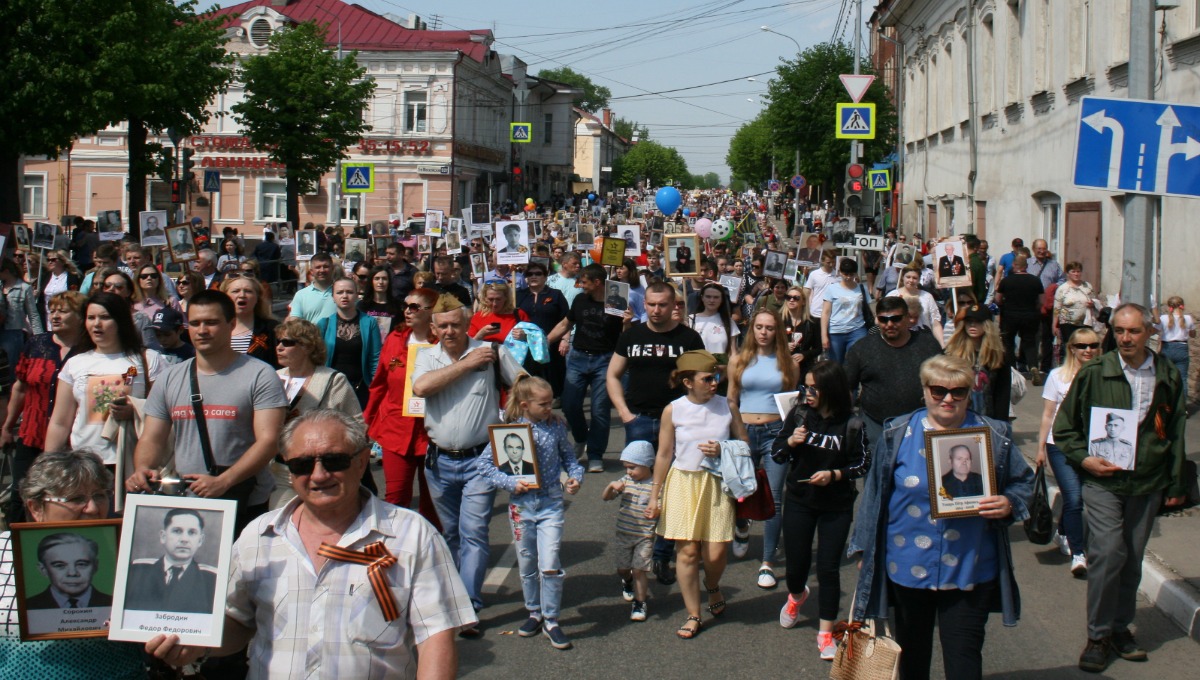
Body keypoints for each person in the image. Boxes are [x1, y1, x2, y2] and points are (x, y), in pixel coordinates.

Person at [146, 409, 474, 677]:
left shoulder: (412, 534)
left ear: (362, 461)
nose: (318, 475)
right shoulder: (258, 536)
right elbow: (238, 621)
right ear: (289, 471)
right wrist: (197, 643)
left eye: (334, 461)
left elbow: (435, 636)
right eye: (302, 465)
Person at [849, 355, 1033, 680]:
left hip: (968, 569)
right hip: (908, 567)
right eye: (938, 391)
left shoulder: (991, 435)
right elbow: (874, 494)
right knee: (913, 661)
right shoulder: (898, 433)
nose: (948, 399)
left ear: (969, 393)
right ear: (924, 391)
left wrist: (1009, 503)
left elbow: (1024, 482)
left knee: (964, 663)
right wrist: (864, 549)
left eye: (958, 391)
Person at [1053, 303, 1188, 672]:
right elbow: (1064, 429)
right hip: (1104, 481)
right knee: (1109, 552)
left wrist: (1175, 482)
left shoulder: (1166, 373)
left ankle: (1119, 628)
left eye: (1134, 331)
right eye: (1120, 331)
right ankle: (1097, 636)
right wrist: (1085, 459)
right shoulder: (1096, 372)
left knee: (1131, 558)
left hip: (1147, 482)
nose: (1126, 338)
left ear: (1149, 333)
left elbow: (1175, 429)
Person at [127, 290, 288, 533]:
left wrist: (224, 481)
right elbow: (152, 437)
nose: (202, 330)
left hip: (243, 499)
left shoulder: (260, 374)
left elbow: (269, 441)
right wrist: (142, 468)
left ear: (231, 325)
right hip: (187, 499)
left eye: (211, 322)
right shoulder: (169, 378)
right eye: (195, 323)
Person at [412, 294, 524, 623]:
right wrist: (467, 364)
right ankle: (456, 593)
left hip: (481, 460)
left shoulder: (491, 352)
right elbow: (421, 388)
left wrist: (523, 414)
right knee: (451, 533)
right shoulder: (427, 357)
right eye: (443, 326)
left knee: (473, 530)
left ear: (467, 324)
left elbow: (523, 384)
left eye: (456, 325)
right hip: (439, 461)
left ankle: (468, 604)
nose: (450, 331)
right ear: (434, 328)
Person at [1, 450, 144, 678]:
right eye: (76, 499)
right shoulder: (3, 551)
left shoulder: (134, 554)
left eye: (100, 495)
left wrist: (178, 647)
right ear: (36, 508)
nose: (93, 508)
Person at [771, 360, 869, 660]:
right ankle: (797, 595)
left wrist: (835, 475)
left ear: (831, 390)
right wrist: (791, 441)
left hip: (836, 505)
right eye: (806, 386)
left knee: (828, 569)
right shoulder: (800, 414)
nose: (808, 393)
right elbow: (777, 454)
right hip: (800, 500)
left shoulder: (852, 423)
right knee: (796, 566)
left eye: (814, 388)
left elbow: (862, 464)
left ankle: (826, 633)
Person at [607, 282, 704, 583]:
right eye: (651, 304)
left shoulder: (688, 338)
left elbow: (702, 378)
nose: (656, 310)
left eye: (663, 304)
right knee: (638, 489)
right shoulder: (632, 335)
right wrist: (624, 413)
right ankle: (637, 553)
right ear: (644, 304)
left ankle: (662, 554)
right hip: (639, 420)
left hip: (677, 424)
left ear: (674, 305)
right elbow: (612, 374)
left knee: (670, 489)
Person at [477, 375, 583, 649]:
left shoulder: (556, 426)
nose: (549, 408)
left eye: (550, 403)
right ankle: (534, 612)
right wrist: (510, 482)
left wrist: (575, 477)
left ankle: (552, 619)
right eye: (543, 404)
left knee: (549, 563)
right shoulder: (509, 431)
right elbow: (484, 465)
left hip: (550, 503)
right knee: (526, 562)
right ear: (525, 405)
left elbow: (569, 457)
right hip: (521, 505)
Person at [646, 350, 746, 639]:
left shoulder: (727, 406)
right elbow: (664, 454)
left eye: (715, 377)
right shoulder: (673, 410)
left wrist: (723, 449)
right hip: (683, 482)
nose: (714, 383)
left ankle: (712, 586)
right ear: (687, 382)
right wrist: (655, 495)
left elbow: (744, 443)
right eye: (707, 379)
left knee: (715, 553)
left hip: (716, 484)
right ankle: (693, 614)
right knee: (688, 552)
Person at [43, 293, 165, 463]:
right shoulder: (74, 363)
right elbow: (60, 423)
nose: (97, 324)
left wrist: (135, 410)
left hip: (133, 461)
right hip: (85, 462)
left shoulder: (148, 359)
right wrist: (48, 462)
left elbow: (165, 410)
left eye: (105, 317)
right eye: (91, 318)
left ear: (120, 321)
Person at [726, 309, 797, 586]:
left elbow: (791, 402)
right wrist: (738, 432)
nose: (764, 332)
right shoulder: (739, 360)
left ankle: (767, 561)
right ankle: (742, 525)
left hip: (774, 432)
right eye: (759, 327)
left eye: (769, 327)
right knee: (739, 490)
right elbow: (731, 399)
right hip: (744, 430)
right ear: (752, 329)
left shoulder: (788, 362)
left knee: (774, 496)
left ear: (777, 330)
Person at [364, 288, 441, 526]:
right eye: (406, 306)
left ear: (431, 311)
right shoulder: (395, 339)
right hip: (395, 429)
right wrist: (367, 421)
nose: (407, 311)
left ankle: (431, 544)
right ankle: (395, 544)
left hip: (433, 432)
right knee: (395, 499)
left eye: (414, 307)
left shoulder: (444, 343)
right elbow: (379, 384)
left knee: (433, 503)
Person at [273, 317, 364, 506]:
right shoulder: (273, 378)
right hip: (280, 470)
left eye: (287, 342)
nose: (279, 347)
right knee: (280, 519)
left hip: (322, 471)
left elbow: (357, 427)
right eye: (278, 341)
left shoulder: (333, 380)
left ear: (307, 346)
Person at [1036, 327, 1101, 577]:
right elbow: (1047, 414)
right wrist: (1041, 448)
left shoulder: (1103, 376)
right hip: (1059, 444)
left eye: (1093, 345)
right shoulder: (1057, 376)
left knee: (1077, 495)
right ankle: (1078, 553)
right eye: (1082, 346)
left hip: (1090, 446)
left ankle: (1063, 531)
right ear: (1071, 349)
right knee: (1074, 498)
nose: (1088, 350)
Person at [548, 264, 625, 472]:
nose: (580, 285)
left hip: (605, 360)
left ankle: (595, 454)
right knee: (570, 405)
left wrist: (628, 321)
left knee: (599, 410)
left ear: (597, 282)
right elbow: (565, 324)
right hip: (578, 357)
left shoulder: (616, 302)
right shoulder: (580, 300)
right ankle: (581, 437)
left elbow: (626, 332)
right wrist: (545, 341)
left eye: (584, 282)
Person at [601, 441, 658, 623]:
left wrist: (657, 510)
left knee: (639, 569)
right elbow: (606, 498)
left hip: (645, 536)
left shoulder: (657, 486)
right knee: (623, 569)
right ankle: (627, 580)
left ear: (647, 464)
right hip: (624, 533)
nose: (629, 471)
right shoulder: (626, 481)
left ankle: (640, 603)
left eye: (632, 467)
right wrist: (611, 486)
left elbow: (663, 506)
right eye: (626, 467)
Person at [124, 509, 217, 614]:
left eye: (191, 532)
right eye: (177, 531)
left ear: (200, 540)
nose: (184, 539)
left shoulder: (213, 580)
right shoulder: (136, 571)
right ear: (163, 536)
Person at [316, 277, 381, 408]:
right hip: (330, 388)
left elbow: (375, 358)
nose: (344, 296)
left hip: (361, 388)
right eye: (339, 292)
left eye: (349, 292)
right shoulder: (324, 323)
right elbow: (316, 359)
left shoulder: (370, 322)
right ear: (333, 297)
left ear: (357, 295)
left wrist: (376, 388)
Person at [943, 304, 1012, 421]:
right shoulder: (952, 353)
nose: (972, 325)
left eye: (978, 321)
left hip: (988, 417)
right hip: (958, 417)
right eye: (969, 321)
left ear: (987, 325)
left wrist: (1000, 423)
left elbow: (1002, 393)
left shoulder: (998, 355)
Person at [516, 261, 569, 395]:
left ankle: (554, 399)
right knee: (529, 379)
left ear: (545, 277)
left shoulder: (556, 295)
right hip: (526, 345)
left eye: (538, 273)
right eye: (530, 274)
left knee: (553, 378)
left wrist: (565, 339)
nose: (533, 276)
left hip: (551, 343)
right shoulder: (518, 295)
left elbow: (566, 319)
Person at [996, 253, 1045, 380]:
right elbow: (1041, 301)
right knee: (1029, 343)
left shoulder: (1006, 281)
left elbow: (998, 299)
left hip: (1010, 316)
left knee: (1008, 343)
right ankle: (1033, 366)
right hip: (1030, 315)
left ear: (1014, 265)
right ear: (1026, 266)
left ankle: (1012, 370)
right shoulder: (1035, 280)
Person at [820, 258, 871, 364]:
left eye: (851, 274)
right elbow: (825, 313)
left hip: (857, 329)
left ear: (855, 273)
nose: (848, 277)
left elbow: (869, 308)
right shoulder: (832, 289)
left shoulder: (862, 288)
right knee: (836, 363)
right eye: (845, 274)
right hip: (836, 331)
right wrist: (824, 335)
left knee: (854, 361)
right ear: (840, 272)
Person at [1027, 239, 1065, 376]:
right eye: (1039, 248)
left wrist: (1054, 287)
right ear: (1033, 249)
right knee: (1031, 336)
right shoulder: (1027, 264)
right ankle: (1030, 365)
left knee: (1047, 336)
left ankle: (1045, 366)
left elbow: (1062, 280)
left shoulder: (1054, 265)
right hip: (1032, 304)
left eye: (1044, 248)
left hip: (1048, 305)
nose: (1042, 251)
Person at [888, 264, 944, 345]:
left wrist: (942, 343)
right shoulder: (892, 296)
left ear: (919, 279)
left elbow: (935, 323)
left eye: (914, 278)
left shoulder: (927, 297)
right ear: (903, 277)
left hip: (924, 341)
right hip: (900, 342)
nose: (911, 280)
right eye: (908, 277)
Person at [1154, 296, 1195, 406]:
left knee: (1165, 377)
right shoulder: (1188, 318)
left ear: (1169, 307)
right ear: (1182, 306)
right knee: (1182, 379)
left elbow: (1153, 330)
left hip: (1167, 348)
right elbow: (1193, 335)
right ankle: (1182, 407)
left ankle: (1166, 405)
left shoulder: (1163, 318)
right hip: (1182, 349)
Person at [1053, 261, 1098, 349]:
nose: (1076, 274)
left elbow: (1094, 300)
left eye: (1078, 271)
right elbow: (1057, 308)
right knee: (1070, 347)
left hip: (1085, 323)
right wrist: (1054, 325)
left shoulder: (1087, 286)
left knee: (1084, 346)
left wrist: (1092, 304)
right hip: (1068, 324)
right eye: (1073, 271)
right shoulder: (1062, 289)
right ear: (1068, 273)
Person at [688, 283, 739, 356]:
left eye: (716, 297)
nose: (712, 300)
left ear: (721, 299)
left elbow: (733, 352)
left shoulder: (728, 321)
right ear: (702, 298)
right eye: (708, 297)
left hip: (722, 362)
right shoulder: (691, 320)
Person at [38, 250, 82, 330]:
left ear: (63, 261)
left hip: (64, 314)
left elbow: (75, 297)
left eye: (53, 260)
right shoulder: (45, 277)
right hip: (47, 314)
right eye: (48, 260)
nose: (50, 262)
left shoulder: (72, 277)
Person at [287, 252, 337, 321]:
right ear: (311, 271)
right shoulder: (301, 295)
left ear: (332, 269)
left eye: (326, 267)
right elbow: (295, 321)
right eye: (318, 267)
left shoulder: (342, 292)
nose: (322, 270)